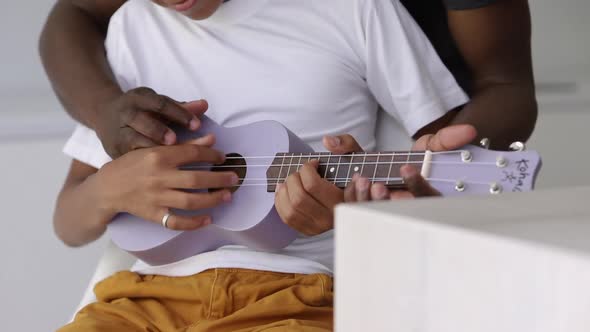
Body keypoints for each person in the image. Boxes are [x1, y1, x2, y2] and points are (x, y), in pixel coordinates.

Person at [48, 0, 480, 330]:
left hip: (303, 296)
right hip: (142, 303)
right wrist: (112, 188)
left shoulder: (357, 9)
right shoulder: (131, 26)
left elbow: (436, 175)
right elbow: (69, 224)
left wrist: (359, 213)